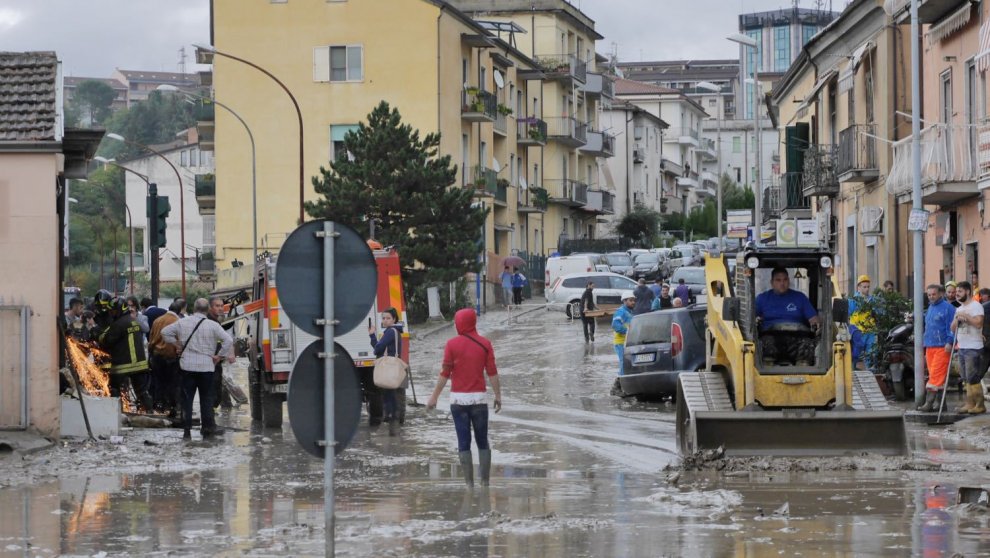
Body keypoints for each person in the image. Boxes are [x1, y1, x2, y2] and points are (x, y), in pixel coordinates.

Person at [426, 308, 501, 487]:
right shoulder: (485, 344)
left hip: (458, 402)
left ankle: (469, 485)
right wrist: (498, 395)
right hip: (479, 401)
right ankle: (485, 483)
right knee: (483, 441)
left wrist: (434, 397)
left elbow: (444, 373)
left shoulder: (451, 344)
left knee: (463, 442)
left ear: (460, 322)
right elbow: (492, 373)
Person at [161, 298, 234, 440]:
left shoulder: (182, 322)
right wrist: (219, 356)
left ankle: (187, 432)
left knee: (187, 400)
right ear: (207, 310)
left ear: (193, 309)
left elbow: (165, 332)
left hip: (187, 367)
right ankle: (206, 430)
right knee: (206, 399)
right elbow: (228, 340)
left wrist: (176, 344)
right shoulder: (213, 325)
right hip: (207, 367)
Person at [754, 267, 821, 366]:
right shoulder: (762, 299)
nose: (782, 283)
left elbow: (814, 319)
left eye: (785, 279)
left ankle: (803, 370)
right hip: (771, 338)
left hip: (797, 338)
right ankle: (767, 366)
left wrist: (817, 325)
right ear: (772, 282)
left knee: (807, 343)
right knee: (764, 343)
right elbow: (750, 318)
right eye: (778, 280)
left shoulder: (800, 298)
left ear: (789, 281)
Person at [98, 297, 154, 412]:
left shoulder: (118, 324)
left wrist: (100, 333)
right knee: (142, 391)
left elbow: (106, 342)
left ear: (120, 309)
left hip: (122, 366)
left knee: (115, 389)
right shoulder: (134, 321)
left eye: (113, 311)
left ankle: (117, 413)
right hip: (140, 365)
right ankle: (150, 411)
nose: (111, 313)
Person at [918, 284, 955, 412]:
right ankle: (941, 404)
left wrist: (950, 342)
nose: (931, 297)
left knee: (936, 375)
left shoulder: (948, 308)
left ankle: (929, 402)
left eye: (933, 294)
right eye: (929, 295)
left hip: (942, 346)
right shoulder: (930, 307)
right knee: (936, 375)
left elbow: (952, 327)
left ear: (940, 294)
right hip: (930, 345)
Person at [950, 281, 985, 414]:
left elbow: (978, 323)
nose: (957, 294)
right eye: (956, 292)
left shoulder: (976, 306)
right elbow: (953, 328)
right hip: (962, 346)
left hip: (973, 347)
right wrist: (956, 320)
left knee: (972, 376)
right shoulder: (959, 309)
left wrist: (966, 316)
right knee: (965, 377)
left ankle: (980, 405)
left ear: (968, 292)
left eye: (959, 291)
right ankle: (970, 403)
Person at [370, 307, 405, 435]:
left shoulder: (390, 331)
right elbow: (378, 348)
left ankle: (393, 426)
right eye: (383, 318)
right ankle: (393, 425)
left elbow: (377, 349)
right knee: (391, 395)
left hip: (389, 368)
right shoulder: (394, 331)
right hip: (392, 368)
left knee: (390, 396)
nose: (385, 320)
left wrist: (373, 337)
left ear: (394, 319)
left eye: (388, 318)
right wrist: (372, 336)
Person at [149, 298, 184, 416]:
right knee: (172, 383)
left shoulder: (157, 320)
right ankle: (172, 407)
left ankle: (159, 406)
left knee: (159, 382)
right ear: (179, 311)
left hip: (157, 356)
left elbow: (151, 339)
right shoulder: (178, 321)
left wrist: (150, 353)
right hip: (172, 357)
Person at [208, 297, 235, 411]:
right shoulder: (210, 321)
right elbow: (227, 340)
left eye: (221, 306)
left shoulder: (216, 321)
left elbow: (225, 336)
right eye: (217, 306)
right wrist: (220, 355)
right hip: (211, 361)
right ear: (210, 307)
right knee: (212, 391)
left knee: (215, 390)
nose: (220, 308)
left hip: (216, 361)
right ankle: (210, 419)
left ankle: (211, 415)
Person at [848, 275, 877, 367]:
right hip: (858, 330)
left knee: (871, 353)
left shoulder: (872, 300)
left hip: (870, 330)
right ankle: (853, 368)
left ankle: (871, 371)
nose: (867, 289)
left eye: (868, 287)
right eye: (864, 287)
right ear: (858, 287)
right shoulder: (853, 300)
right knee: (856, 352)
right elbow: (848, 314)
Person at [611, 292, 636, 394]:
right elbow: (615, 325)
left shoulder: (630, 312)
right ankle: (616, 388)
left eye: (634, 300)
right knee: (623, 364)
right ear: (624, 301)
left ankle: (623, 387)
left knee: (627, 364)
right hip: (621, 342)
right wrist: (628, 333)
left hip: (627, 343)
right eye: (630, 300)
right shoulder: (621, 312)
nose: (633, 302)